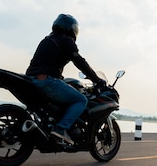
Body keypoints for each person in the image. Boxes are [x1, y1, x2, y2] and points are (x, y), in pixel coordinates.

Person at [26, 14, 105, 145]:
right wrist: (96, 79)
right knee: (81, 99)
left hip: (30, 79)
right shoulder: (66, 41)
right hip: (47, 81)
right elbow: (80, 62)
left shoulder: (47, 40)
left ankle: (49, 126)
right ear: (70, 28)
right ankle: (61, 129)